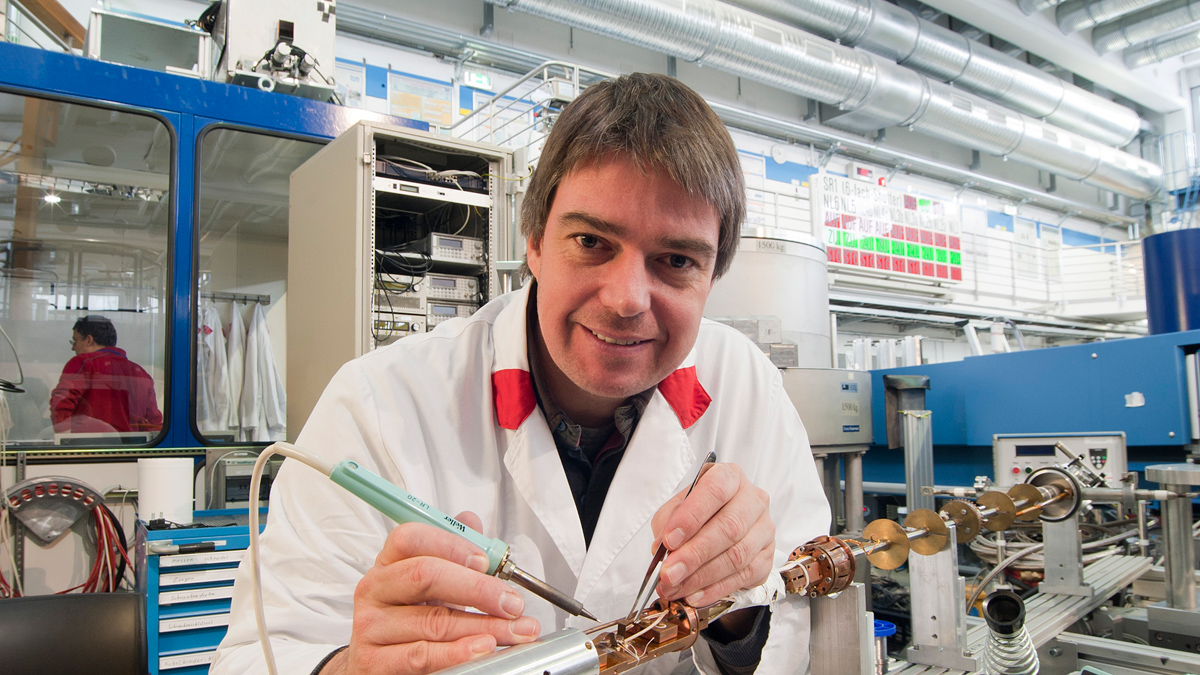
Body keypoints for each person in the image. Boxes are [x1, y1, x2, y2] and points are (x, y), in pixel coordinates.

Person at [213, 73, 829, 675]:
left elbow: (805, 618)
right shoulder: (378, 405)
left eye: (675, 261)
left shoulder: (747, 390)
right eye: (591, 242)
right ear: (533, 239)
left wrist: (736, 615)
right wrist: (349, 669)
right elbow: (259, 654)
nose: (626, 299)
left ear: (711, 276)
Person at [49, 315, 163, 434]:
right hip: (129, 450)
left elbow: (61, 404)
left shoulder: (83, 363)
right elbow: (153, 423)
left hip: (89, 449)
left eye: (75, 341)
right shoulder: (141, 374)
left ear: (89, 340)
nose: (73, 348)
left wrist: (66, 441)